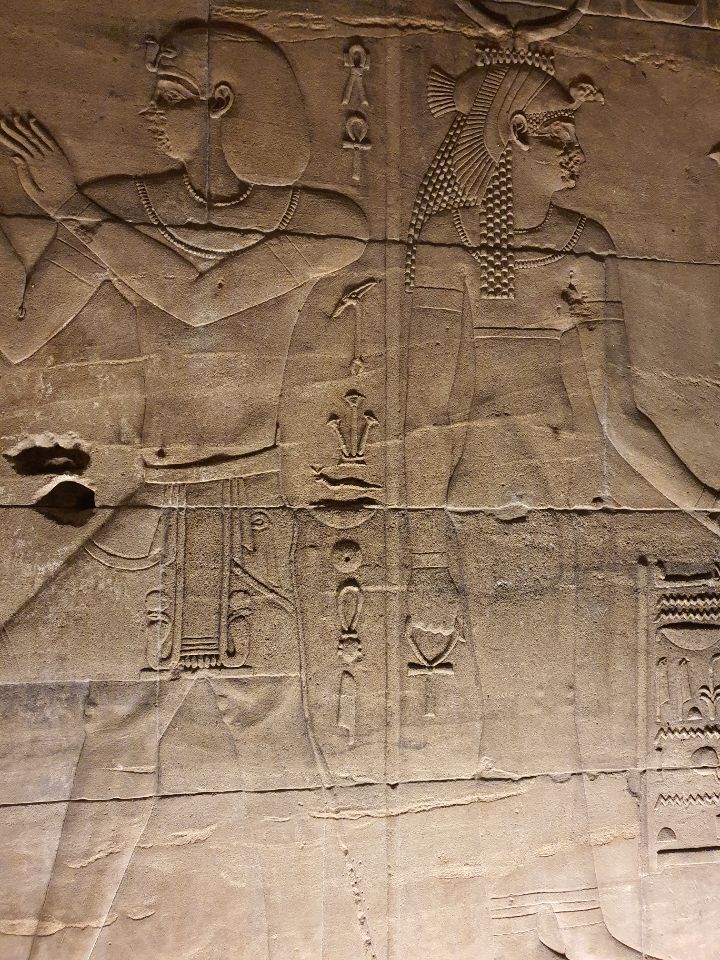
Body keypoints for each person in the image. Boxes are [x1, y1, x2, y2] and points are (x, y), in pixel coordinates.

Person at [0, 18, 368, 959]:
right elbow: (21, 338)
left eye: (167, 94)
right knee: (115, 743)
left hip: (250, 512)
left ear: (222, 104)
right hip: (156, 510)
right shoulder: (117, 208)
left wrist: (71, 211)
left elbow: (201, 300)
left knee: (273, 747)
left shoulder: (324, 220)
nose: (148, 112)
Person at [401, 45, 706, 960]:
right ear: (513, 136)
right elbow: (428, 414)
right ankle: (534, 925)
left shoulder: (588, 245)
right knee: (522, 729)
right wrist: (424, 564)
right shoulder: (453, 245)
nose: (575, 151)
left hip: (575, 524)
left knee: (575, 729)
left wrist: (706, 504)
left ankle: (552, 924)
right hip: (494, 524)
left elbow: (618, 414)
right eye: (560, 134)